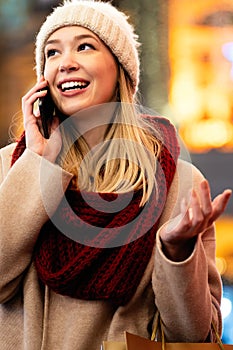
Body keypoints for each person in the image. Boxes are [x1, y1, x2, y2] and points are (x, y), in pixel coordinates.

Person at [0, 1, 231, 349]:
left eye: (85, 46)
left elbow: (194, 334)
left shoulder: (179, 183)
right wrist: (38, 163)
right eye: (52, 53)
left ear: (120, 67)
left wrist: (176, 251)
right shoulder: (11, 167)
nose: (66, 63)